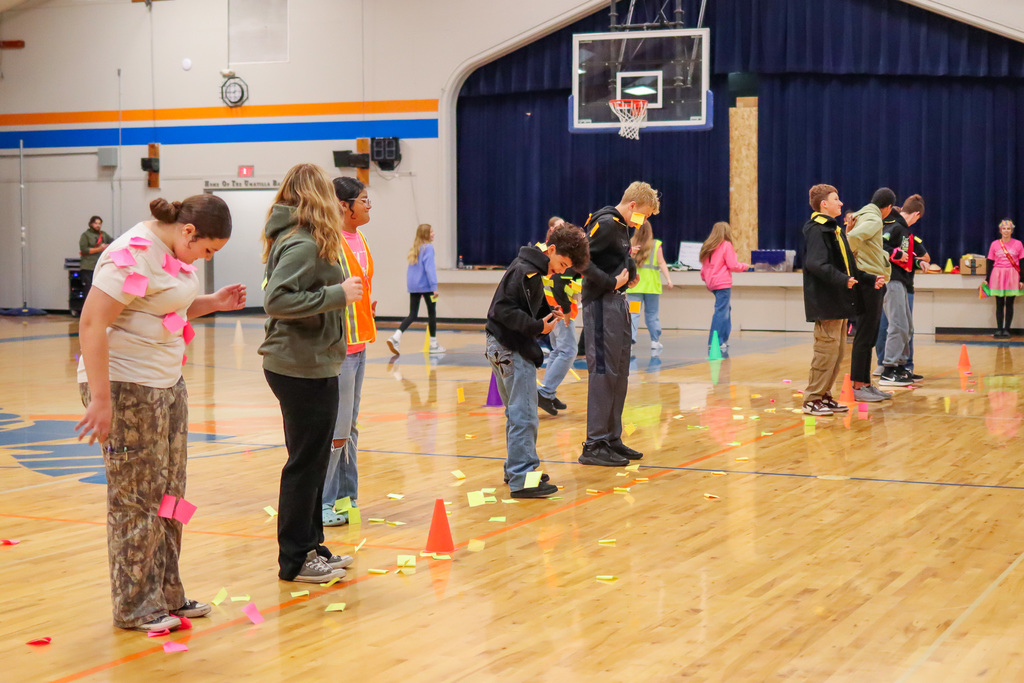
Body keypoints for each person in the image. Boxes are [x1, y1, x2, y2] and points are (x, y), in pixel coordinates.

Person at [75, 195, 245, 633]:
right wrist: (100, 399)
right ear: (189, 231)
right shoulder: (130, 255)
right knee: (136, 498)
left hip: (167, 382)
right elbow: (92, 323)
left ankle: (168, 593)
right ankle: (134, 604)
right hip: (125, 385)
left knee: (172, 493)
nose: (208, 258)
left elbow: (171, 308)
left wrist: (214, 302)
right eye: (208, 250)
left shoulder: (173, 253)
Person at [260, 163, 364, 584]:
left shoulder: (306, 238)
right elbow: (276, 300)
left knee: (316, 459)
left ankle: (312, 545)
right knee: (305, 463)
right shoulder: (301, 241)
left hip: (314, 361)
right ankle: (295, 558)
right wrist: (338, 293)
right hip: (299, 365)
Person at [484, 223, 590, 497]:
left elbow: (526, 302)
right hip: (509, 348)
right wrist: (536, 327)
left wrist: (546, 311)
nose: (563, 270)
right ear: (551, 249)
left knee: (516, 413)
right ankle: (522, 479)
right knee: (525, 415)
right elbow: (503, 310)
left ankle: (517, 468)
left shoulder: (532, 268)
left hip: (501, 346)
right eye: (562, 263)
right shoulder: (525, 270)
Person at [579, 181, 660, 467]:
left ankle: (612, 438)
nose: (645, 220)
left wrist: (631, 272)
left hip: (617, 303)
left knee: (619, 372)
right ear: (633, 205)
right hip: (601, 304)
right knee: (603, 372)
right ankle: (594, 443)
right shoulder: (607, 223)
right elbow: (582, 260)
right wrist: (612, 281)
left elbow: (619, 258)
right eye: (645, 214)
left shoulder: (622, 228)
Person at [800, 184, 884, 416]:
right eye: (836, 199)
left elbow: (849, 266)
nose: (841, 203)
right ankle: (812, 398)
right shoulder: (817, 229)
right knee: (825, 353)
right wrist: (841, 280)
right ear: (823, 204)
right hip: (826, 302)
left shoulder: (834, 230)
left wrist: (868, 279)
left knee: (837, 354)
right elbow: (816, 264)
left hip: (839, 302)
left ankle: (825, 395)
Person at [322, 177, 376, 527]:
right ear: (345, 205)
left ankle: (346, 497)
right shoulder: (327, 243)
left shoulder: (361, 238)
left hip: (359, 345)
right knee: (336, 429)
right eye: (364, 199)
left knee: (350, 427)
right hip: (338, 349)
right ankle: (323, 502)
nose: (369, 205)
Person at [846, 188, 895, 402]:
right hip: (869, 282)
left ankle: (865, 383)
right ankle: (858, 385)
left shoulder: (863, 214)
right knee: (866, 335)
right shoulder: (874, 219)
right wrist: (846, 257)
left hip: (870, 279)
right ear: (888, 208)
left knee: (869, 335)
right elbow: (853, 238)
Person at [878, 194, 925, 387]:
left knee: (907, 327)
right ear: (915, 214)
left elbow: (906, 256)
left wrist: (917, 261)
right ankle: (888, 369)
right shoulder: (894, 226)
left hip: (902, 281)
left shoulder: (903, 230)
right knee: (897, 325)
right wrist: (896, 253)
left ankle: (900, 365)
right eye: (918, 218)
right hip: (892, 281)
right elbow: (880, 246)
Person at [538, 221, 582, 416]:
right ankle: (545, 391)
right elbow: (557, 284)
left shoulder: (566, 258)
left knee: (558, 351)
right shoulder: (566, 259)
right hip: (560, 310)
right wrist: (565, 311)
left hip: (556, 307)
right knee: (569, 351)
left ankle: (548, 391)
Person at [387, 224, 443, 355]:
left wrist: (413, 286)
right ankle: (433, 344)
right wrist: (434, 287)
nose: (434, 233)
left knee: (412, 314)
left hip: (414, 287)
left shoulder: (415, 248)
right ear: (426, 234)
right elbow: (430, 269)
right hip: (428, 287)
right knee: (432, 313)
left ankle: (396, 336)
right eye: (431, 231)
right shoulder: (429, 248)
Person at [699, 221, 748, 354]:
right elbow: (733, 265)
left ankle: (724, 339)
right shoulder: (726, 245)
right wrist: (744, 266)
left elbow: (703, 269)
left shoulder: (708, 246)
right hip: (722, 283)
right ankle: (715, 341)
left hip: (711, 283)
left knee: (726, 308)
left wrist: (706, 279)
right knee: (721, 311)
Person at [627, 220, 674, 350]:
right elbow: (662, 263)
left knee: (634, 313)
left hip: (635, 286)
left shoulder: (631, 243)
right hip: (651, 287)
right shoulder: (656, 244)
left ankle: (630, 340)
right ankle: (655, 341)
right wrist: (669, 279)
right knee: (652, 314)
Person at [985, 218, 1024, 338]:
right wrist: (987, 278)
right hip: (997, 275)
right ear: (1000, 230)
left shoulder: (1018, 244)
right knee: (999, 303)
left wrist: (1022, 279)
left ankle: (1007, 329)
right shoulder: (994, 244)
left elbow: (1022, 262)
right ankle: (999, 329)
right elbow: (990, 262)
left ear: (1012, 231)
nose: (1006, 231)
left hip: (1013, 274)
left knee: (1010, 303)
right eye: (1004, 229)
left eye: (1008, 229)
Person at [78, 215, 113, 294]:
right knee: (88, 288)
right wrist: (99, 249)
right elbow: (84, 249)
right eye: (96, 223)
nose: (98, 225)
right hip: (88, 266)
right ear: (91, 224)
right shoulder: (86, 235)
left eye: (99, 223)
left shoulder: (103, 234)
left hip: (100, 265)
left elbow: (112, 242)